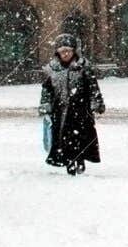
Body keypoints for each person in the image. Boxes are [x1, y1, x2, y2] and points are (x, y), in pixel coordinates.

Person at [39, 34, 104, 175]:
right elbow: (47, 90)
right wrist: (45, 105)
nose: (66, 54)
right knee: (64, 139)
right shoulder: (51, 70)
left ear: (74, 51)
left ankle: (80, 160)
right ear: (58, 52)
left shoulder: (84, 67)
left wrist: (96, 102)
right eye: (62, 51)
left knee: (80, 137)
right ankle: (69, 162)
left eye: (68, 51)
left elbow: (93, 86)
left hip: (81, 109)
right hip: (60, 110)